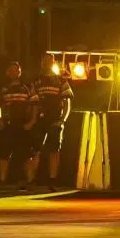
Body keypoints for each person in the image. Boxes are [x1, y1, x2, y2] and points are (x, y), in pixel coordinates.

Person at [33, 57, 75, 188]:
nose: (46, 64)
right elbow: (34, 103)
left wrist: (62, 120)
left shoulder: (61, 81)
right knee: (35, 149)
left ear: (53, 63)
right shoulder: (37, 81)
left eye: (49, 62)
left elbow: (67, 102)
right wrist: (33, 119)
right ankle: (33, 180)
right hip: (40, 119)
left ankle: (52, 180)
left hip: (55, 119)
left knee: (54, 150)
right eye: (44, 62)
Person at [0, 61, 36, 188]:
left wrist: (32, 121)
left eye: (16, 70)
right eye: (11, 70)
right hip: (8, 123)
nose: (13, 72)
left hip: (23, 124)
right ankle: (2, 181)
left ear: (20, 72)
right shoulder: (3, 88)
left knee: (27, 154)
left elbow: (35, 104)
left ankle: (30, 181)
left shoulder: (28, 86)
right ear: (7, 72)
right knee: (4, 153)